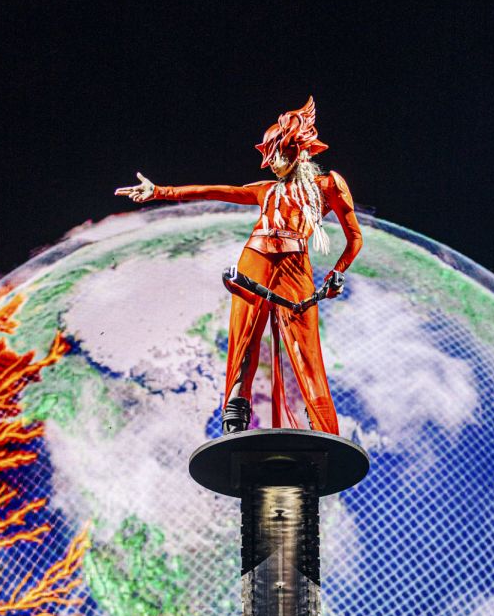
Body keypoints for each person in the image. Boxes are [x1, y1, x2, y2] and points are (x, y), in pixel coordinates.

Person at [115, 97, 363, 435]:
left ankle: (324, 426)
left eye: (278, 153)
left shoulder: (329, 185)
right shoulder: (265, 191)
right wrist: (159, 191)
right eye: (270, 155)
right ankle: (235, 415)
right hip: (255, 259)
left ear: (297, 149)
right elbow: (213, 191)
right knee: (244, 337)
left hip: (295, 265)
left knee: (306, 347)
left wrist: (337, 273)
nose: (272, 163)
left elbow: (354, 240)